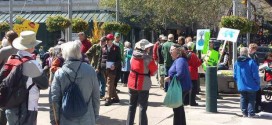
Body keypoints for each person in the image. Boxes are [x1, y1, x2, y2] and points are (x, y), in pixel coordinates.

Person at [4, 31, 48, 125]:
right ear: (31, 47)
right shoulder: (31, 63)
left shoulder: (12, 58)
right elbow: (44, 84)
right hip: (27, 106)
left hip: (10, 103)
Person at [50, 41, 100, 125]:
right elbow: (96, 96)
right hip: (87, 118)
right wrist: (95, 116)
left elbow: (54, 99)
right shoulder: (90, 70)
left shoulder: (59, 73)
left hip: (66, 119)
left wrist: (55, 120)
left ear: (65, 54)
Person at [126, 39, 157, 125]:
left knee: (131, 106)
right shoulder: (148, 59)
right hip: (143, 85)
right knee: (142, 107)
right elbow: (154, 72)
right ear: (145, 48)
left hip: (132, 83)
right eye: (148, 47)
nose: (149, 49)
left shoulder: (133, 56)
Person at [164, 44, 192, 125]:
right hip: (181, 87)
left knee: (177, 110)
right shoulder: (179, 60)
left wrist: (169, 78)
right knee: (179, 109)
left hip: (180, 88)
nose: (170, 52)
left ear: (178, 51)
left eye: (172, 50)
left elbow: (180, 74)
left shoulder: (180, 60)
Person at [234, 47, 260, 118]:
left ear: (240, 53)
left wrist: (238, 82)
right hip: (251, 85)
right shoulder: (251, 62)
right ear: (247, 53)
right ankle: (251, 114)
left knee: (243, 98)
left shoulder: (236, 63)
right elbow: (256, 75)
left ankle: (244, 113)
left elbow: (235, 75)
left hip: (241, 85)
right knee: (251, 99)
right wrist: (257, 82)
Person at [0, 30, 18, 125]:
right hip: (19, 80)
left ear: (8, 39)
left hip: (5, 80)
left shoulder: (4, 50)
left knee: (4, 103)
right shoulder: (22, 50)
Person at [101, 34, 121, 106]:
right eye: (106, 40)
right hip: (104, 68)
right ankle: (116, 98)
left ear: (112, 40)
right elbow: (101, 58)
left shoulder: (116, 48)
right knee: (109, 83)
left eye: (108, 40)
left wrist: (115, 65)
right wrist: (99, 67)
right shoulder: (103, 47)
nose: (106, 41)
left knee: (109, 83)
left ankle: (108, 99)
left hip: (112, 69)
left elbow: (119, 60)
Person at [187, 42, 202, 106]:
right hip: (192, 72)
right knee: (193, 88)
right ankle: (192, 102)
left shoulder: (186, 53)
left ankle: (187, 101)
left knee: (188, 88)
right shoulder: (193, 55)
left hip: (187, 71)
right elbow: (197, 64)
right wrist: (201, 60)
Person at [248, 43, 262, 113]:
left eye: (252, 49)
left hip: (254, 75)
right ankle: (250, 110)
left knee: (258, 92)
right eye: (250, 48)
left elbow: (257, 65)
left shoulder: (255, 56)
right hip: (249, 76)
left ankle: (257, 108)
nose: (250, 50)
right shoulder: (246, 56)